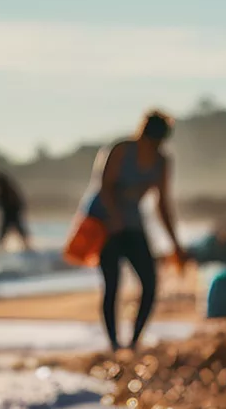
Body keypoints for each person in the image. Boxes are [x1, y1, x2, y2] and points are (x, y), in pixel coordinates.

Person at [78, 110, 186, 350]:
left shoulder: (162, 161)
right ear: (142, 134)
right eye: (151, 140)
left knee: (149, 281)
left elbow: (162, 204)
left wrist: (175, 243)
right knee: (112, 283)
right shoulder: (120, 151)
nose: (153, 145)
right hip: (104, 221)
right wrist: (115, 219)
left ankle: (134, 341)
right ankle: (114, 344)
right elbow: (104, 187)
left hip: (133, 223)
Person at [0, 170, 29, 249]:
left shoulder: (8, 191)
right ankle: (27, 248)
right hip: (10, 216)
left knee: (17, 234)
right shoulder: (7, 191)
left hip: (12, 216)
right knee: (18, 234)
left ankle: (27, 248)